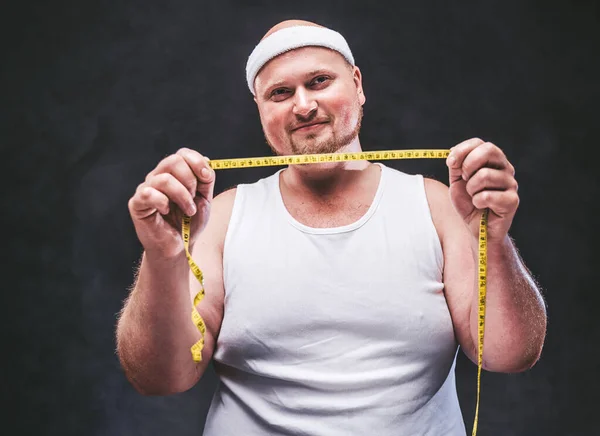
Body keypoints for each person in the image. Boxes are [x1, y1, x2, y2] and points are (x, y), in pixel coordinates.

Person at [116, 19, 547, 435]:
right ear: (261, 110)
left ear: (358, 85)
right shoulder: (218, 220)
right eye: (280, 93)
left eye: (319, 81)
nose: (302, 105)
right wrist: (163, 256)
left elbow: (509, 355)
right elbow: (160, 379)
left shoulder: (439, 207)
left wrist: (493, 239)